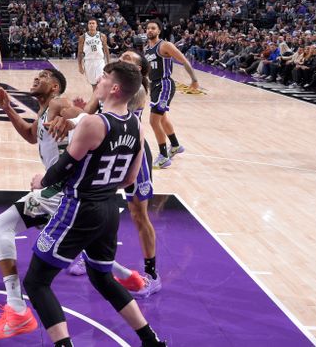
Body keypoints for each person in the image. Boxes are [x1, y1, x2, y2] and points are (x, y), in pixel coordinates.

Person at [23, 61, 167, 347]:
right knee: (101, 277)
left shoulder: (94, 123)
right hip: (109, 210)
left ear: (114, 88)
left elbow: (63, 168)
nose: (97, 82)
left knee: (36, 282)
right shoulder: (136, 126)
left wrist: (42, 180)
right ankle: (151, 341)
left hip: (79, 208)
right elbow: (129, 179)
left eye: (103, 78)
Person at [0, 68, 80, 340]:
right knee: (99, 265)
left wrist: (77, 117)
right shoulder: (43, 112)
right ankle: (125, 276)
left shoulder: (58, 103)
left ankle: (16, 308)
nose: (37, 77)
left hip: (59, 189)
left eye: (45, 75)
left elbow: (71, 110)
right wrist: (7, 107)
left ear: (55, 86)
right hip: (64, 191)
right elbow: (29, 134)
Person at [59, 49, 161, 298]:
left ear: (140, 71)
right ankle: (93, 255)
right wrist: (70, 116)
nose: (122, 60)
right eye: (122, 57)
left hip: (130, 148)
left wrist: (80, 114)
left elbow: (106, 114)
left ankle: (152, 274)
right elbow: (88, 113)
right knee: (97, 201)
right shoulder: (107, 85)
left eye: (129, 60)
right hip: (106, 145)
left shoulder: (137, 90)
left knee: (139, 215)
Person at [143, 19, 199, 169]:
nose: (150, 30)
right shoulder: (146, 49)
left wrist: (194, 79)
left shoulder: (165, 45)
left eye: (153, 28)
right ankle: (175, 145)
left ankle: (163, 157)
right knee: (162, 119)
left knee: (154, 121)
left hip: (164, 84)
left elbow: (184, 60)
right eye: (148, 28)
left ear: (159, 31)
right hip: (154, 85)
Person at [77, 19, 110, 88]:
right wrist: (80, 66)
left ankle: (101, 98)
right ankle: (96, 98)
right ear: (88, 25)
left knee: (101, 82)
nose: (91, 25)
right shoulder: (82, 37)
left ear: (96, 25)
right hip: (89, 62)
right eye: (90, 23)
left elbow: (106, 50)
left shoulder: (102, 36)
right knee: (93, 84)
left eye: (93, 23)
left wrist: (108, 62)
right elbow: (80, 52)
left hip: (100, 61)